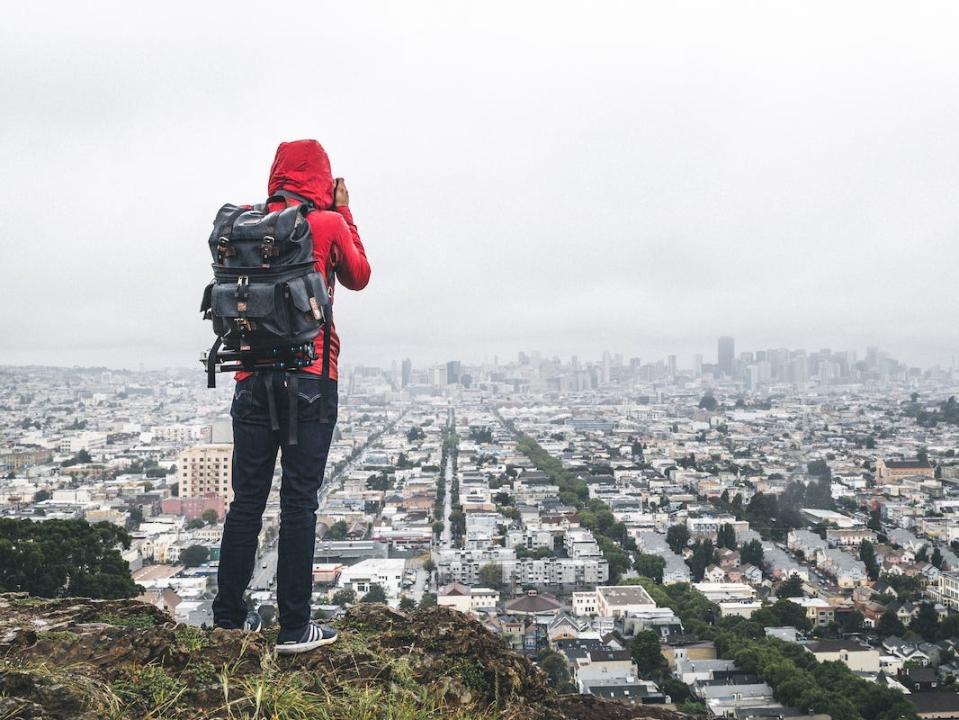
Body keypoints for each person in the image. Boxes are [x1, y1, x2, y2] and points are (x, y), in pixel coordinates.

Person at [212, 139, 371, 654]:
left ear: (276, 175)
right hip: (310, 379)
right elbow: (360, 276)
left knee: (247, 503)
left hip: (249, 380)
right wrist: (345, 211)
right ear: (322, 179)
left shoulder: (248, 227)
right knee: (299, 503)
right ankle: (295, 628)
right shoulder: (324, 224)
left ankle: (230, 618)